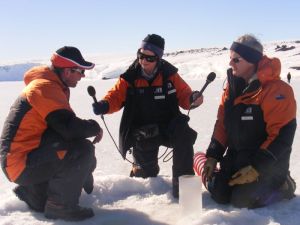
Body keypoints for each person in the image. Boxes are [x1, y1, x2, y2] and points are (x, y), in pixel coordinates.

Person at [92, 34, 203, 198]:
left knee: (184, 134)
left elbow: (185, 97)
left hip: (168, 127)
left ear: (158, 58)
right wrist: (105, 105)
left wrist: (194, 99)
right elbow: (115, 96)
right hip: (143, 131)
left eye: (149, 58)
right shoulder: (129, 77)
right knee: (145, 178)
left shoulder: (170, 75)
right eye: (141, 55)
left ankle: (185, 191)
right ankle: (141, 175)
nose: (143, 61)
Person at [0, 46, 103, 221]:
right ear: (68, 71)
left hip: (23, 158)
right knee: (82, 150)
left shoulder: (51, 85)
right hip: (21, 162)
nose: (82, 76)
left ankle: (33, 192)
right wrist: (95, 127)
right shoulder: (45, 87)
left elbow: (61, 127)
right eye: (80, 71)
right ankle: (60, 207)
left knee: (42, 203)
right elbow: (69, 128)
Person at [200, 34, 297, 208]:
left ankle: (284, 185)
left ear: (252, 61)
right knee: (220, 193)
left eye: (236, 60)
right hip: (237, 160)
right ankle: (199, 160)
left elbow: (281, 136)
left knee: (242, 199)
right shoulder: (231, 89)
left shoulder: (277, 90)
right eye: (230, 59)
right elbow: (222, 125)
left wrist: (256, 168)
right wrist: (213, 155)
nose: (231, 64)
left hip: (269, 165)